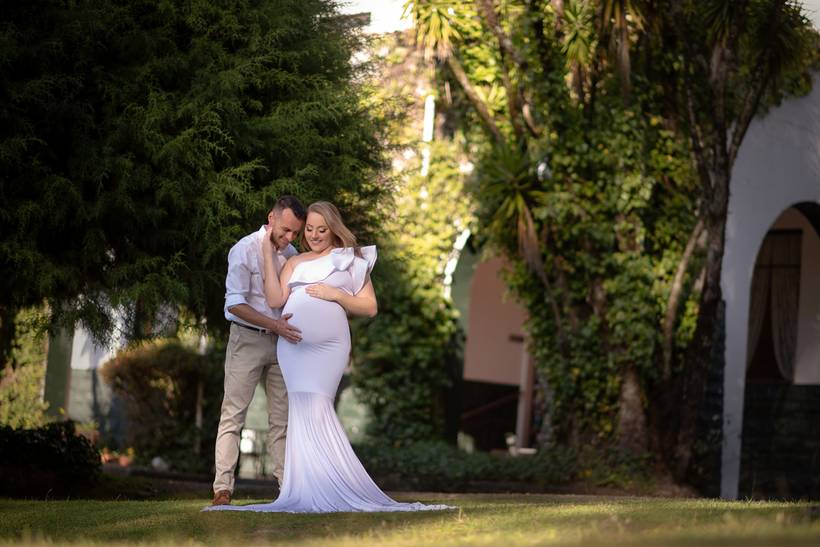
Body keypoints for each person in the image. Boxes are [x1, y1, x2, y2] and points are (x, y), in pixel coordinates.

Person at [205, 201, 451, 513]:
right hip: (273, 343)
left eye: (316, 229)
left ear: (333, 228)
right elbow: (261, 300)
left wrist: (336, 295)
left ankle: (301, 485)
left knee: (300, 414)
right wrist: (267, 254)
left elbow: (369, 307)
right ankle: (236, 489)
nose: (308, 235)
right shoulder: (263, 254)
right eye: (306, 229)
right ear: (273, 220)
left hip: (316, 348)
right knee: (246, 413)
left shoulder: (343, 258)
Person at [211, 196, 307, 507]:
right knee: (233, 415)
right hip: (247, 341)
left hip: (282, 346)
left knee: (282, 420)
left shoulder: (291, 254)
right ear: (271, 218)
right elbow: (234, 304)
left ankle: (286, 489)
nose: (289, 238)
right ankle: (222, 490)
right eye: (286, 230)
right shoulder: (243, 250)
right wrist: (274, 325)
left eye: (295, 233)